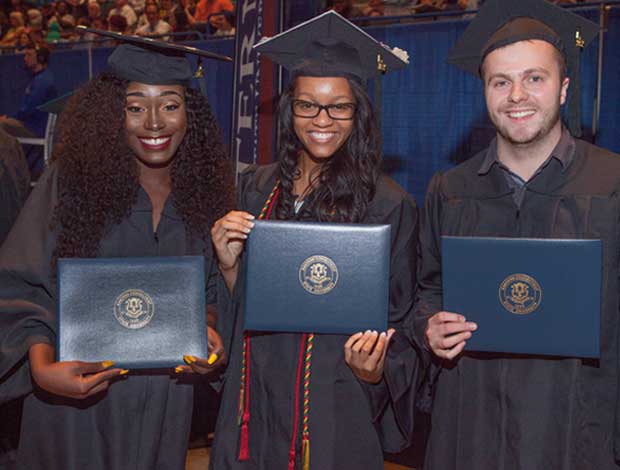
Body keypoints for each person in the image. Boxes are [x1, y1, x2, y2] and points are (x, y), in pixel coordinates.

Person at [0, 31, 234, 469]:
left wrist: (209, 336)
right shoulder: (69, 184)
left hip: (166, 400)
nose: (154, 122)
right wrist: (40, 365)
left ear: (191, 115)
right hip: (74, 405)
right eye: (134, 106)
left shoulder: (204, 196)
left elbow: (210, 293)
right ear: (112, 113)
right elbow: (22, 284)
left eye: (169, 104)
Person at [210, 11, 422, 470]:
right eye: (307, 104)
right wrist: (229, 266)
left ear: (358, 112)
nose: (321, 119)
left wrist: (379, 367)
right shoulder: (258, 187)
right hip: (255, 399)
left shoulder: (388, 204)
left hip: (333, 405)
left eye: (338, 106)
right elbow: (245, 307)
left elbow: (404, 320)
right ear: (290, 109)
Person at [415, 0, 620, 468]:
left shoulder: (612, 184)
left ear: (563, 89)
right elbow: (427, 288)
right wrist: (428, 325)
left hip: (578, 422)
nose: (517, 95)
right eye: (500, 81)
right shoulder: (451, 190)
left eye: (535, 78)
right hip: (473, 421)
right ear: (485, 92)